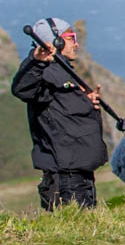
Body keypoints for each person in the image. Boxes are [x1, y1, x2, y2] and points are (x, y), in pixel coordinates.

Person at [11, 18, 106, 210]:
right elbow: (21, 89)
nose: (76, 43)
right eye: (71, 38)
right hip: (65, 177)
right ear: (56, 41)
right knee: (76, 232)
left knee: (85, 229)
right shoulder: (43, 71)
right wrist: (36, 62)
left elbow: (63, 107)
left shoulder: (61, 70)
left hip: (79, 171)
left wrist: (84, 100)